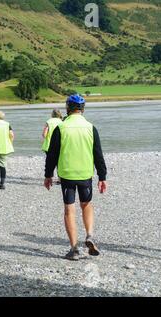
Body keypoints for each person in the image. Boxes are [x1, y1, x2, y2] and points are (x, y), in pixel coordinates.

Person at [44, 95, 107, 261]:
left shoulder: (61, 127)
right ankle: (89, 235)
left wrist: (48, 174)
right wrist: (102, 176)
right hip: (85, 173)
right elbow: (98, 154)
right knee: (86, 204)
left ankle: (74, 249)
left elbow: (52, 154)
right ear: (83, 108)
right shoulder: (90, 127)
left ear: (68, 108)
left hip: (67, 175)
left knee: (69, 210)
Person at [42, 108, 63, 184]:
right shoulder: (62, 122)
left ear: (52, 114)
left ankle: (49, 178)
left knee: (50, 162)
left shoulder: (49, 121)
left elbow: (44, 134)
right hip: (60, 145)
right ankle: (60, 179)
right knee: (59, 162)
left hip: (48, 145)